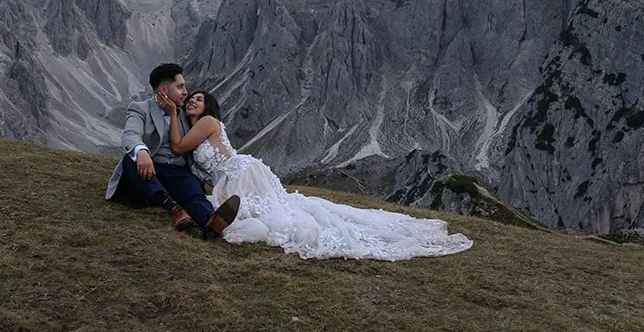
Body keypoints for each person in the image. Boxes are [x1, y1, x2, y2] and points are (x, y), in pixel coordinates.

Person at [167, 90, 474, 261]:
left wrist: (171, 115)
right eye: (190, 98)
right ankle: (221, 221)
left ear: (209, 107)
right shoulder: (200, 125)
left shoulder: (207, 122)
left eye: (200, 98)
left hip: (240, 172)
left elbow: (179, 146)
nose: (193, 100)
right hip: (234, 176)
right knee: (273, 213)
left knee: (276, 218)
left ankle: (223, 222)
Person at [104, 63, 241, 239]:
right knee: (130, 159)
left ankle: (211, 223)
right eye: (180, 86)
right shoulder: (140, 109)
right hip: (149, 172)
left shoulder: (184, 114)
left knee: (192, 188)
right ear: (163, 89)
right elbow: (130, 134)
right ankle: (175, 210)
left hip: (177, 173)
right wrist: (142, 151)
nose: (186, 92)